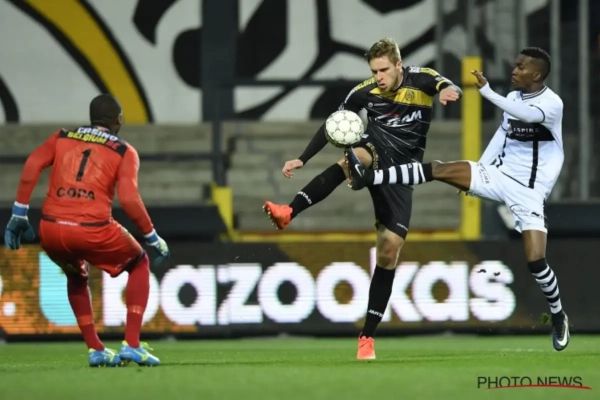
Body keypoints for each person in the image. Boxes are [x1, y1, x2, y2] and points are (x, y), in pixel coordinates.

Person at [347, 47, 570, 351]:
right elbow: (502, 135)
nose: (514, 70)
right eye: (515, 65)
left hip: (529, 191)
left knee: (536, 261)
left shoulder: (551, 103)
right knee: (440, 168)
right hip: (499, 176)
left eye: (521, 67)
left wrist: (487, 92)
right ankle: (370, 177)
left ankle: (557, 315)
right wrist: (479, 170)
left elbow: (527, 115)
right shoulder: (513, 98)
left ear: (537, 74)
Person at [264, 37, 462, 359]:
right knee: (355, 156)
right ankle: (289, 211)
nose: (379, 77)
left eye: (384, 70)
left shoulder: (421, 79)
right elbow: (333, 125)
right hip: (374, 150)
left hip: (402, 174)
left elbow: (445, 84)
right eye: (374, 71)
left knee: (388, 251)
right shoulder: (364, 92)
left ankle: (367, 336)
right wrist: (302, 158)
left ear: (398, 65)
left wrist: (448, 91)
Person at [3, 94, 170, 366]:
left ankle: (96, 349)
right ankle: (132, 344)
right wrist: (152, 236)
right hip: (93, 229)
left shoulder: (62, 136)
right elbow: (129, 199)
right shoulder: (124, 151)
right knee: (139, 262)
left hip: (52, 229)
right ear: (118, 119)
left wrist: (19, 213)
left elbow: (33, 163)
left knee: (76, 275)